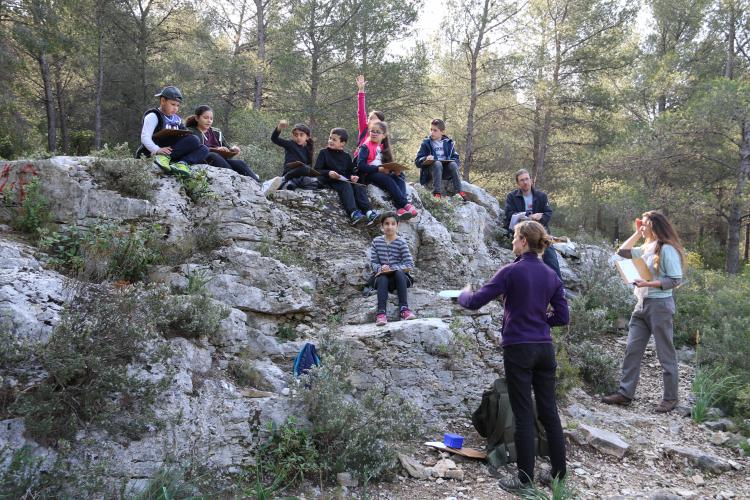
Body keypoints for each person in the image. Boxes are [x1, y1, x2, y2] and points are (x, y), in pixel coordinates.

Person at [458, 220, 569, 492]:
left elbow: (473, 302)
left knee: (521, 414)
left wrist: (462, 292)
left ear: (522, 241)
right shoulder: (551, 275)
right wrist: (539, 318)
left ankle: (524, 480)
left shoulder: (510, 272)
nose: (512, 242)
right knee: (549, 413)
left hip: (518, 349)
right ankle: (558, 474)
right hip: (544, 349)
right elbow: (563, 316)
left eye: (514, 237)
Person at [602, 211, 685, 413]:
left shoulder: (667, 249)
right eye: (642, 223)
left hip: (660, 307)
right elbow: (622, 252)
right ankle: (625, 393)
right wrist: (638, 234)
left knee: (665, 353)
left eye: (646, 224)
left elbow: (675, 280)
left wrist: (648, 283)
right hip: (641, 305)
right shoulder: (646, 246)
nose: (643, 226)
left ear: (656, 226)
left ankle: (671, 398)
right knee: (632, 349)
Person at [503, 169, 561, 280]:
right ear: (518, 183)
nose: (525, 182)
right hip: (521, 233)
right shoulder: (512, 196)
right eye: (522, 180)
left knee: (550, 256)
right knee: (523, 260)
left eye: (527, 179)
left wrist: (540, 218)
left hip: (540, 232)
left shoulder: (541, 196)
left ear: (531, 180)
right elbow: (509, 214)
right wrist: (529, 216)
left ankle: (558, 286)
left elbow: (548, 213)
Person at [314, 127, 380, 226]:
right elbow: (317, 170)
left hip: (342, 180)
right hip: (328, 180)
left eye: (334, 139)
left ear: (342, 143)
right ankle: (353, 213)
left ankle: (369, 212)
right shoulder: (324, 153)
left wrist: (353, 177)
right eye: (330, 138)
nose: (330, 141)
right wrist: (329, 172)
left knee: (358, 185)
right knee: (346, 186)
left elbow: (350, 172)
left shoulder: (346, 156)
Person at [139, 86, 209, 177]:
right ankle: (162, 158)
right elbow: (145, 137)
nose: (176, 108)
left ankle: (182, 163)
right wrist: (157, 150)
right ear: (163, 101)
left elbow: (186, 135)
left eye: (177, 105)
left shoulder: (177, 119)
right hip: (155, 151)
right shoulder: (153, 115)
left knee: (204, 149)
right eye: (173, 104)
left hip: (173, 151)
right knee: (194, 139)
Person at [355, 121, 418, 220]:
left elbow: (388, 166)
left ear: (383, 135)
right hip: (369, 174)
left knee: (399, 177)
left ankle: (400, 209)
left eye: (377, 132)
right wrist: (378, 169)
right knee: (386, 179)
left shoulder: (384, 148)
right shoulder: (365, 147)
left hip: (382, 173)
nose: (374, 133)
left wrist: (395, 171)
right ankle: (405, 204)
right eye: (372, 131)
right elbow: (360, 165)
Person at [186, 105, 260, 182]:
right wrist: (216, 149)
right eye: (205, 118)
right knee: (213, 155)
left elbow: (227, 148)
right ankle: (234, 180)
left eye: (211, 119)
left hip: (221, 160)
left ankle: (258, 184)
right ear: (197, 118)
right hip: (203, 159)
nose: (209, 121)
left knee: (239, 163)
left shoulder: (217, 132)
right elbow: (196, 149)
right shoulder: (191, 131)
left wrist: (233, 150)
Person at [369, 211, 417, 326]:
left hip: (400, 279)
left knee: (399, 273)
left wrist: (392, 268)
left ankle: (404, 309)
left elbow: (409, 264)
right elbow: (374, 262)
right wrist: (381, 268)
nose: (389, 226)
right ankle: (381, 314)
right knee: (383, 277)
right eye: (386, 224)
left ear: (397, 225)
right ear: (382, 226)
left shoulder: (401, 242)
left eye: (392, 224)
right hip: (383, 278)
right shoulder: (376, 242)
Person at [414, 118, 467, 200]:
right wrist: (425, 158)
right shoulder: (426, 143)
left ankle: (459, 192)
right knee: (437, 163)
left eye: (435, 130)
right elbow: (417, 161)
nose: (432, 132)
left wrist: (453, 161)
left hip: (444, 171)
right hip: (431, 171)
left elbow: (456, 158)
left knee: (453, 164)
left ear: (442, 132)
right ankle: (437, 193)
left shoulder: (449, 143)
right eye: (431, 129)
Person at [266, 120, 316, 195]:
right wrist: (279, 127)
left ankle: (289, 185)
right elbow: (274, 139)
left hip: (300, 176)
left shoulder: (308, 149)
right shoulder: (290, 144)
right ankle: (284, 180)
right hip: (290, 172)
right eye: (296, 135)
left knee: (313, 180)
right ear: (292, 136)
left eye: (301, 135)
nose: (298, 137)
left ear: (307, 137)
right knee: (304, 168)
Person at [354, 74, 385, 152]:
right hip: (360, 163)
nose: (371, 121)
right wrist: (361, 90)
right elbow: (361, 112)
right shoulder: (364, 128)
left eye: (374, 119)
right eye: (370, 118)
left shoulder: (383, 139)